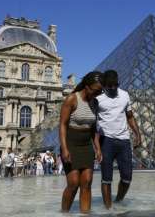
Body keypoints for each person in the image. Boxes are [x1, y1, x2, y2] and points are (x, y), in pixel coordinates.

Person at [96, 70, 142, 209]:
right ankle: (108, 209)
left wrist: (137, 134)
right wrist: (96, 145)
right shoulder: (97, 98)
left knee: (127, 177)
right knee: (106, 178)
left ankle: (118, 201)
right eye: (109, 86)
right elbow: (91, 122)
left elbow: (129, 116)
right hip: (106, 141)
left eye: (115, 85)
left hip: (123, 140)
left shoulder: (125, 95)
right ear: (104, 85)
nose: (113, 88)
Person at [59, 71, 103, 213]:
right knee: (73, 183)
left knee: (87, 182)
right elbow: (62, 125)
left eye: (100, 91)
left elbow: (93, 128)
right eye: (97, 91)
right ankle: (64, 213)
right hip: (71, 142)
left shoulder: (95, 102)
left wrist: (98, 148)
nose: (98, 94)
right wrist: (64, 148)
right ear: (87, 86)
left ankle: (85, 214)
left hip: (86, 145)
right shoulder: (72, 99)